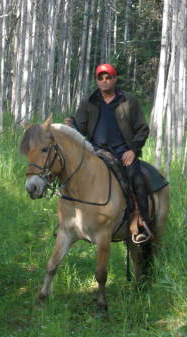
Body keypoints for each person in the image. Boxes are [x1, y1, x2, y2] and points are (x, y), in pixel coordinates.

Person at [66, 64, 151, 243]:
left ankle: (141, 222)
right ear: (97, 80)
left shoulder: (129, 101)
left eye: (108, 77)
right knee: (70, 176)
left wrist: (133, 150)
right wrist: (72, 124)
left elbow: (142, 129)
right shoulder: (89, 102)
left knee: (137, 179)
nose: (104, 81)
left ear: (115, 79)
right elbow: (80, 129)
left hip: (123, 152)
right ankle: (68, 221)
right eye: (100, 78)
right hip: (95, 152)